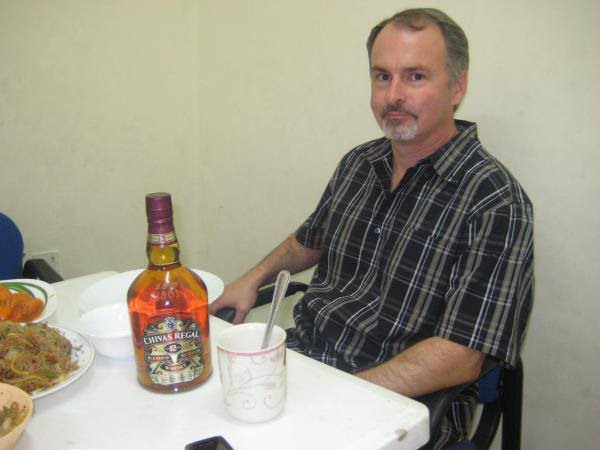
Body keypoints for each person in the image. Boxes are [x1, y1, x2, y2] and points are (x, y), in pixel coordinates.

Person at [210, 8, 534, 449]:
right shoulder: (360, 163)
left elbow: (460, 356)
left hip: (394, 407)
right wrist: (251, 280)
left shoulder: (495, 202)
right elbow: (310, 238)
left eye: (415, 76)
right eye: (382, 77)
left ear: (457, 87)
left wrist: (336, 395)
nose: (393, 95)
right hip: (304, 367)